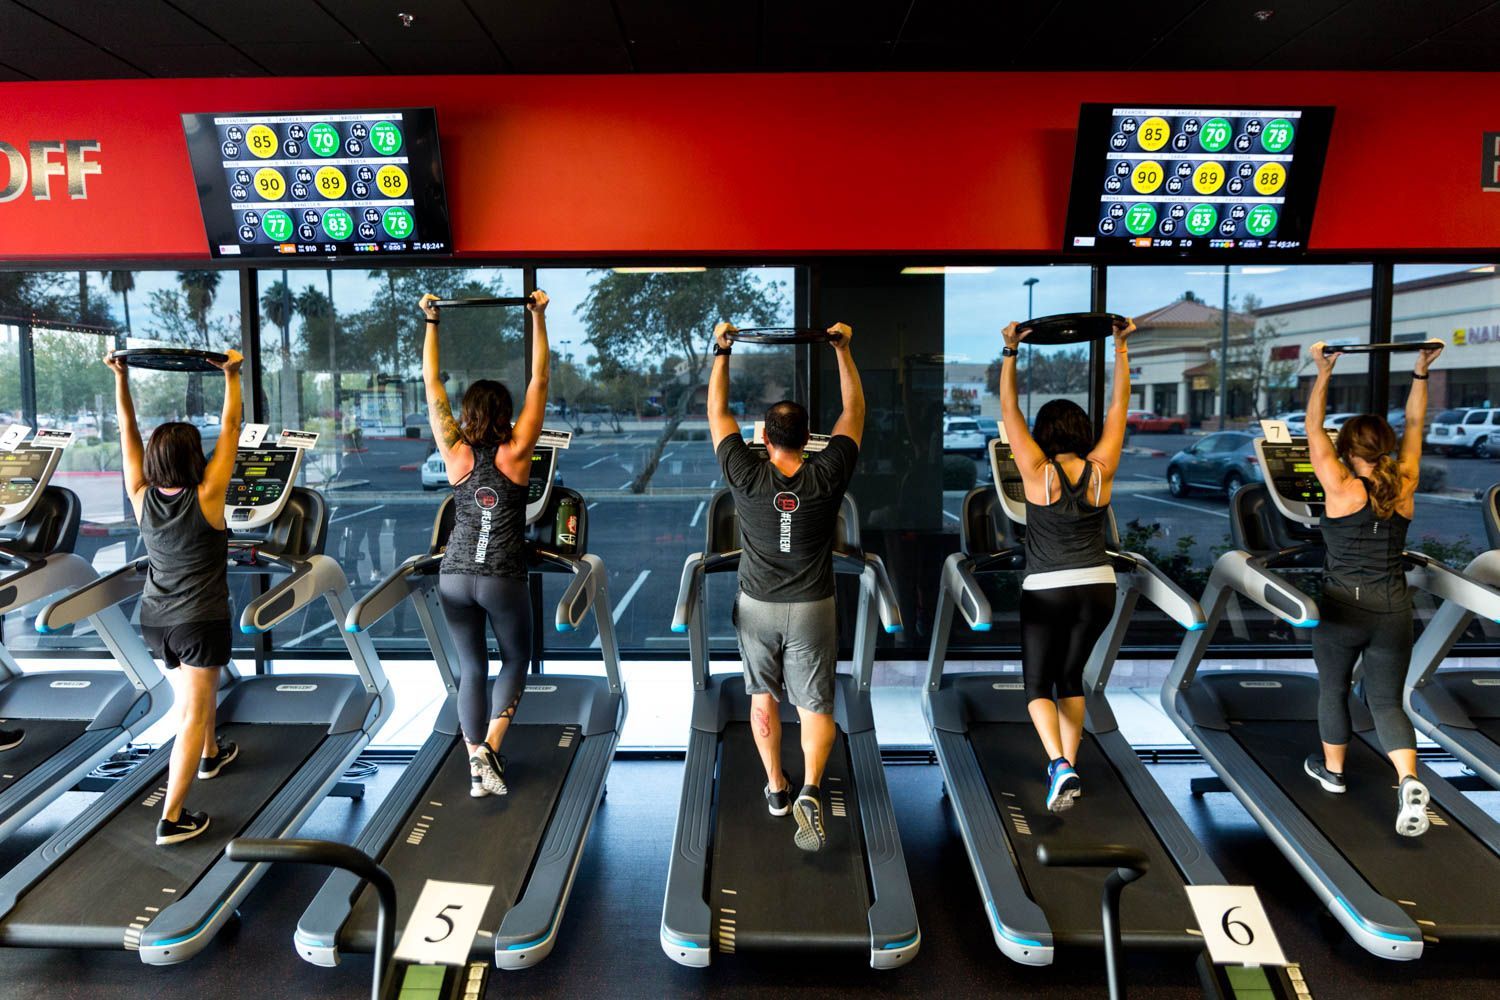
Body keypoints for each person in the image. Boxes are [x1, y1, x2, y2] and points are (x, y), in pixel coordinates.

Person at [707, 321, 864, 853]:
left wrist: (722, 351)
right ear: (808, 438)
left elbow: (717, 413)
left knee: (761, 697)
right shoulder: (828, 473)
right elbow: (853, 413)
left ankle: (777, 788)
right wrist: (843, 351)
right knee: (815, 707)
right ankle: (812, 788)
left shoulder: (746, 475)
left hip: (758, 608)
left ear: (765, 439)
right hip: (813, 607)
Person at [1302, 339, 1444, 837]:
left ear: (1346, 450)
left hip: (1342, 610)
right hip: (1394, 611)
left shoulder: (1340, 487)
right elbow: (1417, 427)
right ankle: (1407, 779)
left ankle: (1334, 773)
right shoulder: (1403, 482)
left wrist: (1323, 372)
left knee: (1334, 689)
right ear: (1383, 446)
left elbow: (1312, 427)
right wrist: (1421, 374)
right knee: (1386, 703)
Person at [105, 348, 244, 846]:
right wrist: (232, 375)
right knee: (191, 711)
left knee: (196, 695)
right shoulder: (207, 496)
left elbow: (128, 432)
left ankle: (211, 754)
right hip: (199, 621)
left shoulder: (141, 493)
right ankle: (172, 817)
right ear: (194, 459)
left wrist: (120, 381)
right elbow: (231, 429)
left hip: (155, 621)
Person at [999, 316, 1135, 813]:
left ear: (1044, 433)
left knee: (1037, 682)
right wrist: (1121, 350)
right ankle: (1068, 765)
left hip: (1047, 588)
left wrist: (1011, 352)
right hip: (1098, 586)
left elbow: (1009, 408)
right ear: (1082, 430)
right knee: (1071, 678)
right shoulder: (1102, 470)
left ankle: (1058, 763)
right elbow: (1120, 406)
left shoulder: (1038, 472)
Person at [421, 289, 550, 798]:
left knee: (471, 668)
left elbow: (432, 382)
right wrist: (538, 318)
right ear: (506, 411)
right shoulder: (517, 452)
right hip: (501, 577)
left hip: (453, 575)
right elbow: (540, 378)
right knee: (515, 659)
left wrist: (432, 322)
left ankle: (477, 771)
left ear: (469, 413)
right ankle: (492, 747)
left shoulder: (454, 451)